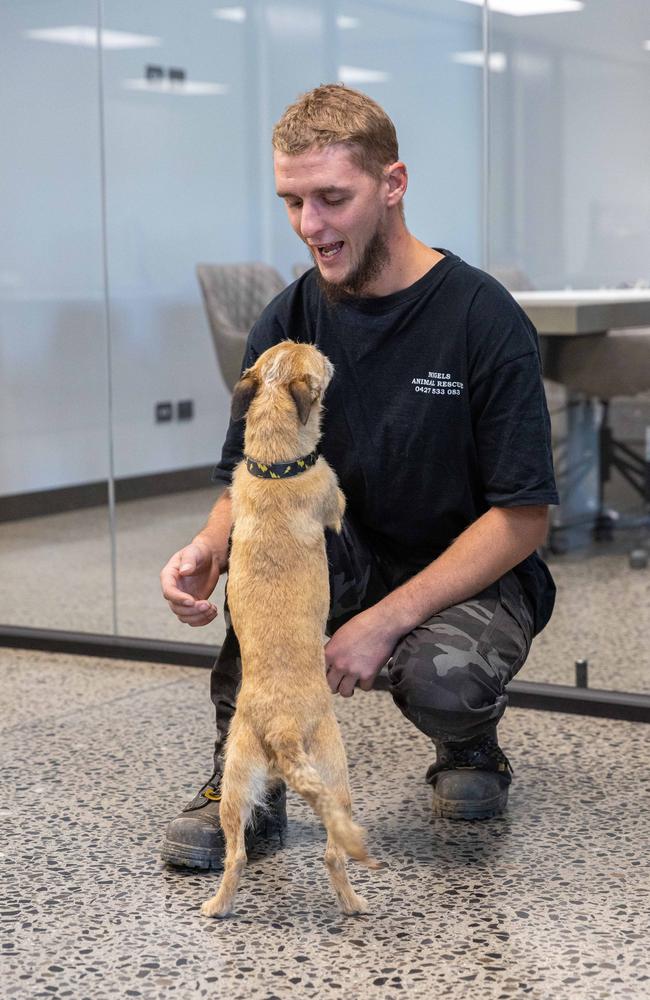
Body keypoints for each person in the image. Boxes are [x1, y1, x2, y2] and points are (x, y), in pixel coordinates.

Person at [160, 84, 558, 870]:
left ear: (393, 184)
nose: (311, 226)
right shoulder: (286, 320)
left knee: (444, 684)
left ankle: (471, 746)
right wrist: (208, 546)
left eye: (333, 198)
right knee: (261, 556)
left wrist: (384, 621)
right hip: (344, 550)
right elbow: (252, 479)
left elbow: (523, 519)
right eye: (293, 200)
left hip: (470, 567)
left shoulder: (482, 317)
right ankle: (245, 782)